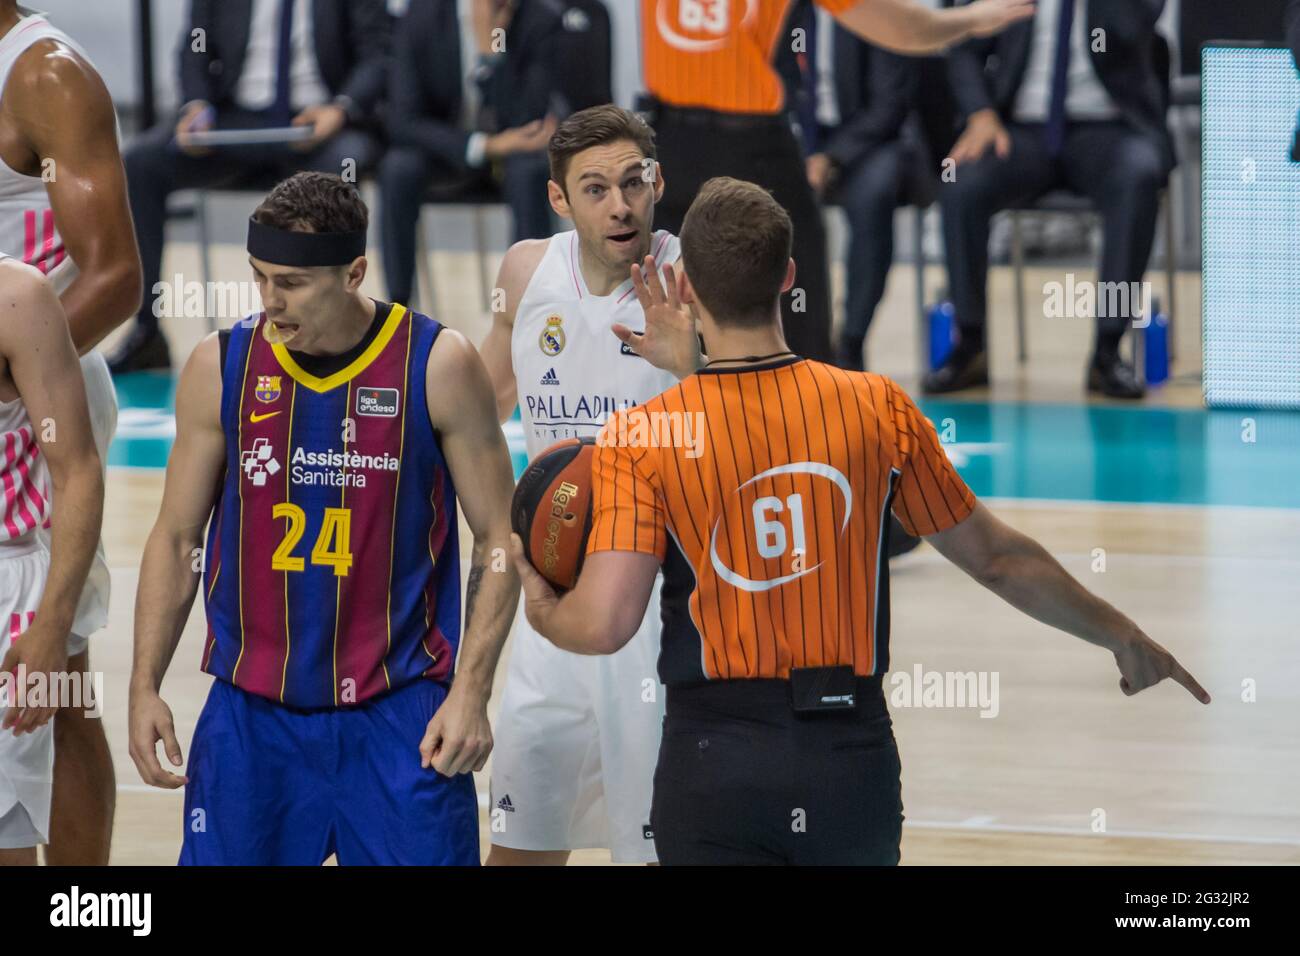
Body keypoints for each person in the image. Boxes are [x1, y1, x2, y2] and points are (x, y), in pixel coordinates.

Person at [510, 177, 1210, 865]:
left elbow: (605, 624)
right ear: (787, 276)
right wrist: (1121, 633)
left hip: (712, 758)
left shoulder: (645, 436)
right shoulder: (876, 407)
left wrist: (539, 604)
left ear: (685, 285)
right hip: (846, 754)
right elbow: (999, 560)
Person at [128, 172, 518, 865]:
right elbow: (178, 537)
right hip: (252, 719)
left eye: (292, 283)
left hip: (401, 717)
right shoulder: (219, 367)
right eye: (259, 279)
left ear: (355, 272)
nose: (271, 303)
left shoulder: (436, 363)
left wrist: (471, 692)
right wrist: (143, 683)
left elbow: (497, 541)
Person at [477, 105, 684, 865]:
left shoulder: (694, 279)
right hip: (553, 595)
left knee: (652, 851)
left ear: (657, 182)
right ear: (560, 200)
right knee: (519, 841)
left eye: (634, 182)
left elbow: (765, 418)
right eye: (595, 189)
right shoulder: (528, 271)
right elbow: (479, 401)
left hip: (656, 607)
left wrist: (694, 362)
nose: (620, 205)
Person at [639, 0, 1036, 365]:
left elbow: (899, 28)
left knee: (785, 319)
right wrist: (968, 20)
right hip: (700, 146)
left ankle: (798, 416)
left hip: (726, 145)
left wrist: (966, 20)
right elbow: (904, 28)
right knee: (674, 316)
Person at [0, 0, 142, 865]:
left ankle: (80, 910)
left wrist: (13, 379)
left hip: (40, 395)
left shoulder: (44, 74)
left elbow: (117, 275)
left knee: (56, 677)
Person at [110, 0, 392, 372]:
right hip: (234, 118)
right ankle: (147, 329)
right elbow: (196, 46)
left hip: (320, 120)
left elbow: (377, 54)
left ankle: (330, 337)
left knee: (344, 170)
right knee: (142, 163)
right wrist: (195, 106)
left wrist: (340, 109)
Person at [926, 0, 1175, 399]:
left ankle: (1107, 351)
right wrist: (980, 114)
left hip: (1109, 127)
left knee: (1138, 176)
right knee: (961, 183)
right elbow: (964, 47)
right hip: (1020, 129)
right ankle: (970, 344)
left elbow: (1132, 25)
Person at [0, 256, 105, 866]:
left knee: (7, 841)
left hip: (9, 595)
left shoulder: (20, 298)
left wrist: (51, 628)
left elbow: (78, 470)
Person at [378, 0, 560, 306]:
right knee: (397, 168)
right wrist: (482, 146)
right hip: (447, 150)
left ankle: (528, 307)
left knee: (531, 171)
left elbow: (530, 119)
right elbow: (403, 121)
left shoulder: (541, 18)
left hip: (514, 155)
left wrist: (491, 55)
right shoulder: (422, 15)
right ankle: (397, 308)